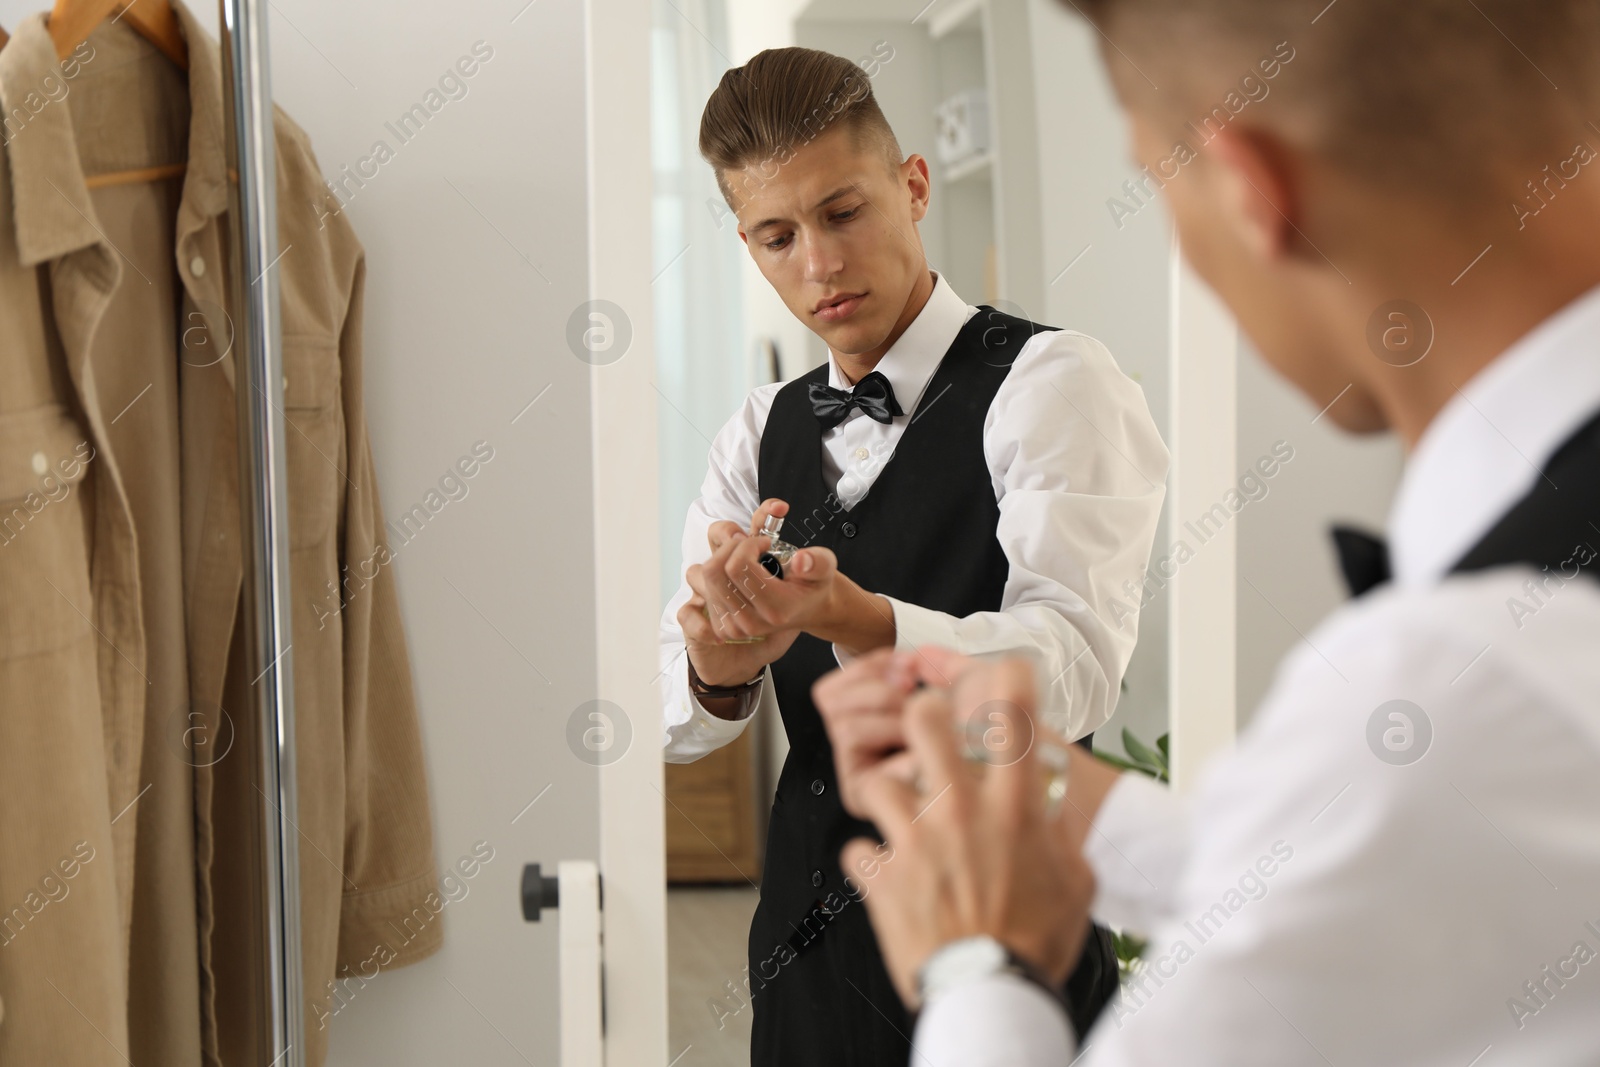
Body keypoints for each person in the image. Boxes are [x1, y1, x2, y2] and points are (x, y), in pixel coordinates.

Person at [815, 0, 1600, 1063]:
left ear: (1249, 192)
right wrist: (1071, 801)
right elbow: (1384, 866)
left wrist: (976, 967)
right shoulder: (1473, 719)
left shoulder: (1452, 691)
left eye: (1157, 182)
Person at [657, 46, 1169, 1066]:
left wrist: (857, 617)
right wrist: (719, 663)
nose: (819, 264)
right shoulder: (754, 430)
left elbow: (1070, 673)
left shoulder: (1051, 382)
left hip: (1004, 932)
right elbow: (676, 724)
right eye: (776, 236)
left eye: (842, 211)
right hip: (805, 943)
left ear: (913, 184)